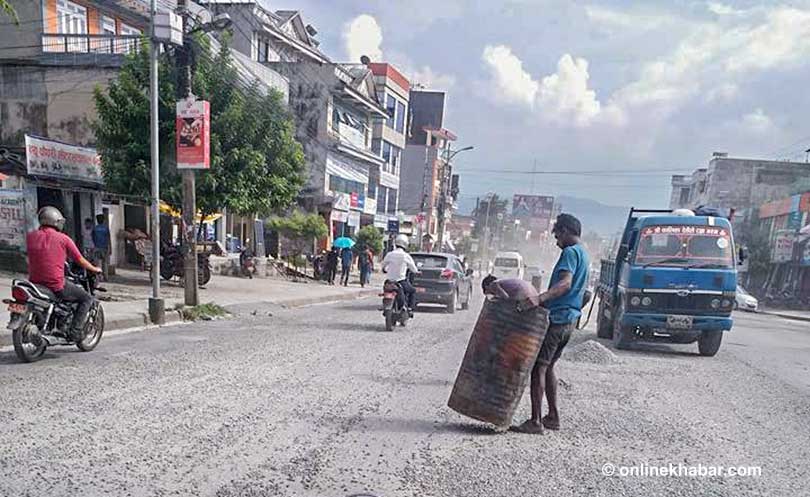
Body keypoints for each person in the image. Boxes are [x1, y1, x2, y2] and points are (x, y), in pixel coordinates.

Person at [514, 213, 589, 435]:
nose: (556, 241)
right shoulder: (584, 254)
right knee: (549, 367)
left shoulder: (569, 252)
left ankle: (535, 421)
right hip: (569, 320)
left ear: (565, 231)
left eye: (557, 235)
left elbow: (565, 284)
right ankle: (553, 417)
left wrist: (539, 299)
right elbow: (584, 294)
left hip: (558, 320)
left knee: (539, 367)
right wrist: (573, 310)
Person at [26, 207, 102, 342]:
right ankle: (75, 332)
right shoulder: (64, 239)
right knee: (86, 299)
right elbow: (80, 259)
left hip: (34, 282)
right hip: (55, 284)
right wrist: (94, 269)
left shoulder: (31, 236)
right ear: (56, 222)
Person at [381, 234, 420, 315]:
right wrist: (417, 272)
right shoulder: (405, 256)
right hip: (401, 281)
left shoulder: (390, 254)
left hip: (389, 281)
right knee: (413, 291)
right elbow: (413, 268)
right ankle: (410, 309)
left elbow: (383, 265)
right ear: (405, 244)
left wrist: (384, 269)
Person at [91, 214, 111, 281]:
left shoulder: (95, 228)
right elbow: (108, 238)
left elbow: (93, 238)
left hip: (96, 247)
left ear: (97, 220)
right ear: (103, 220)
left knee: (97, 263)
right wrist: (109, 247)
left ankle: (99, 277)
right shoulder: (106, 228)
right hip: (104, 247)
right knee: (105, 263)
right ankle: (106, 277)